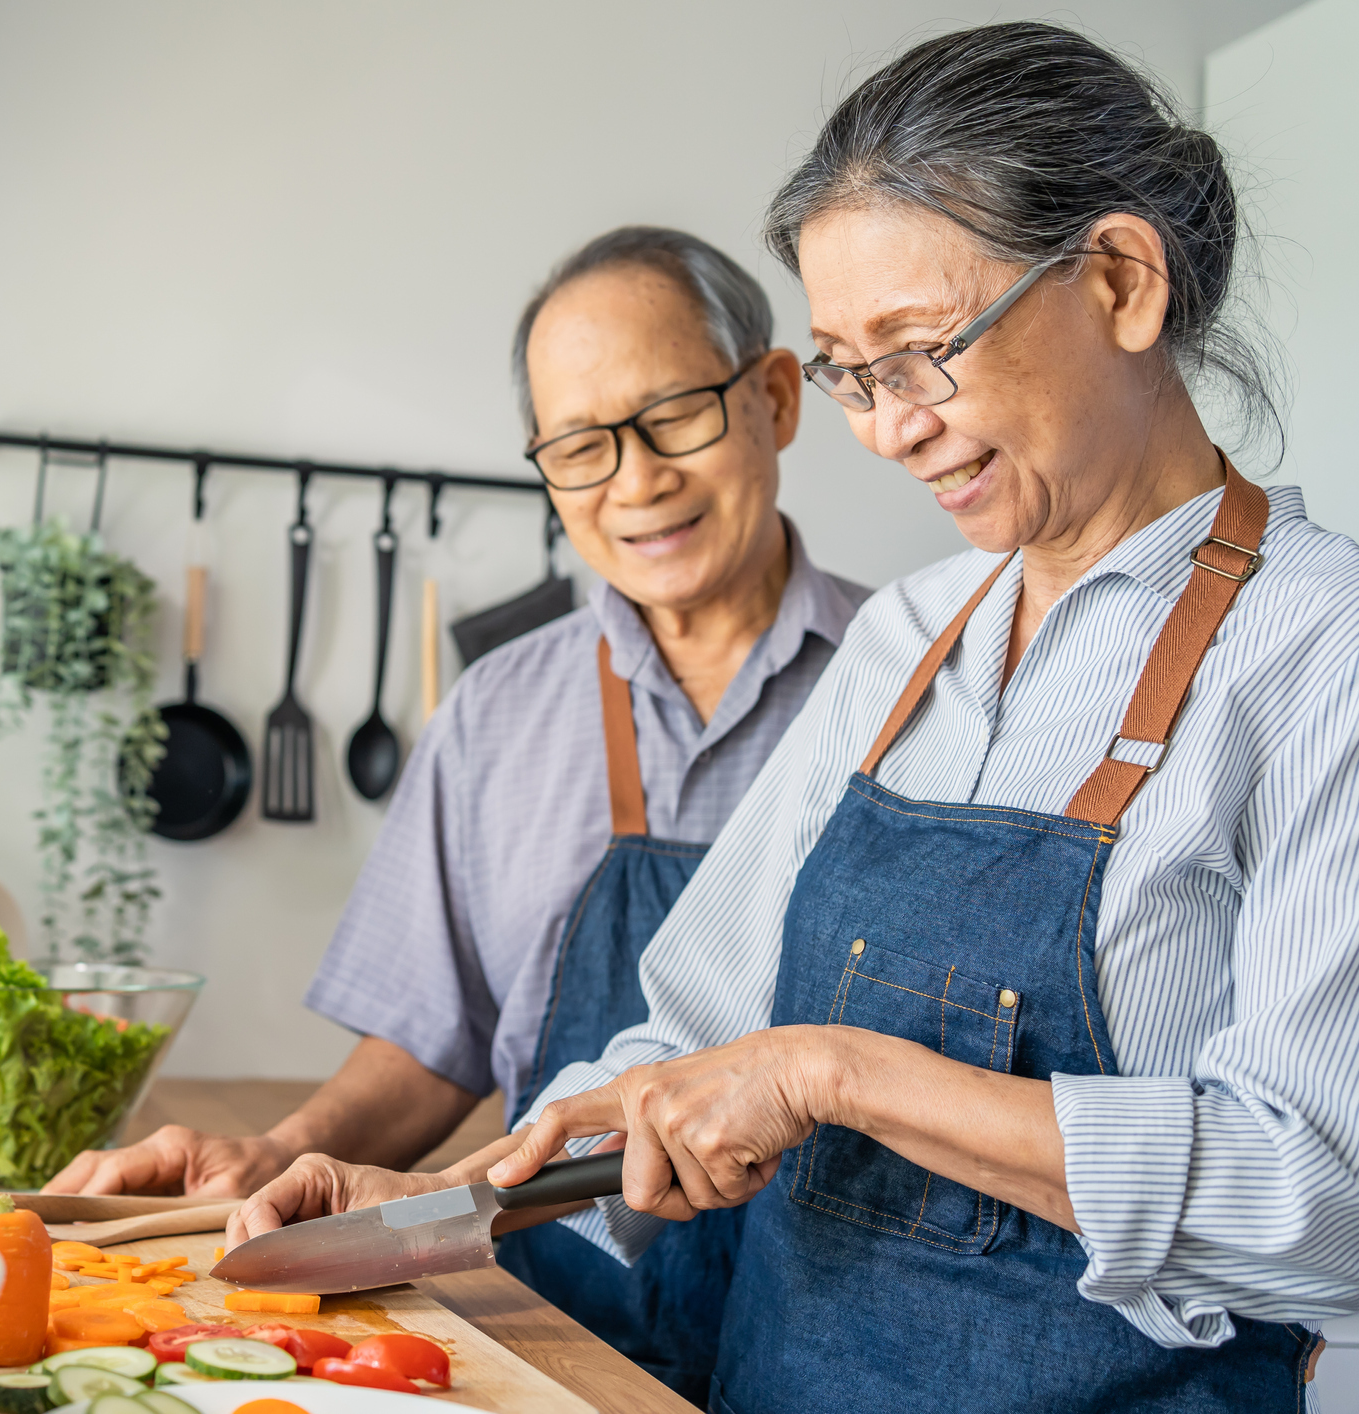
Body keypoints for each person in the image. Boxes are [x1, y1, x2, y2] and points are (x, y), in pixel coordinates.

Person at [227, 22, 1359, 1411]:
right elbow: (688, 1044)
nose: (888, 426)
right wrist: (430, 1200)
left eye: (919, 349)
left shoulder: (1322, 654)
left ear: (1120, 279)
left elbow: (1322, 1195)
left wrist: (836, 1071)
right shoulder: (902, 643)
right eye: (848, 369)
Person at [47, 227, 867, 1402]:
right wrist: (279, 1155)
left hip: (833, 1337)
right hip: (539, 1325)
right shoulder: (498, 710)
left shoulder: (920, 690)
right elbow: (436, 1033)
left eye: (676, 412)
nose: (636, 481)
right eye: (581, 446)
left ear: (777, 398)